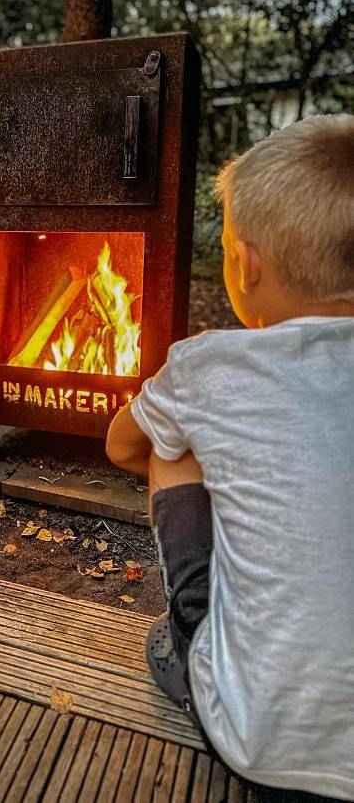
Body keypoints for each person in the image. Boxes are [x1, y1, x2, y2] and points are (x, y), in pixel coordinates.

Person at [106, 114, 354, 799]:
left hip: (262, 743)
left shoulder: (208, 366)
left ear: (243, 264)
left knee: (171, 446)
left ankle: (187, 638)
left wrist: (230, 475)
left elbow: (121, 444)